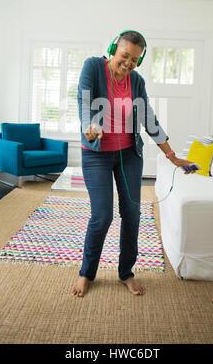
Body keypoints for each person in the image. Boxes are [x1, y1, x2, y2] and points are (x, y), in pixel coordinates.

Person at [72, 30, 196, 298]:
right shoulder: (93, 67)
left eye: (134, 59)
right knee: (102, 215)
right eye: (124, 55)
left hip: (128, 155)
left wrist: (171, 155)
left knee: (132, 214)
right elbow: (83, 102)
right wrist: (89, 127)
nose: (128, 63)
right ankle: (86, 272)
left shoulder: (136, 81)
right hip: (95, 153)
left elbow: (148, 120)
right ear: (113, 49)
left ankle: (126, 272)